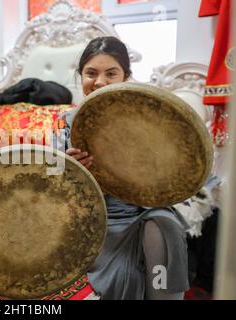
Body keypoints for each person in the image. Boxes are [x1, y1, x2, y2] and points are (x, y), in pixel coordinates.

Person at [56, 36, 190, 300]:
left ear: (126, 76)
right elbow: (52, 184)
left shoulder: (146, 118)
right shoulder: (66, 123)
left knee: (165, 227)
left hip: (142, 209)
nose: (100, 81)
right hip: (91, 215)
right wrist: (73, 172)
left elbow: (172, 173)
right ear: (80, 76)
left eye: (111, 73)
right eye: (91, 73)